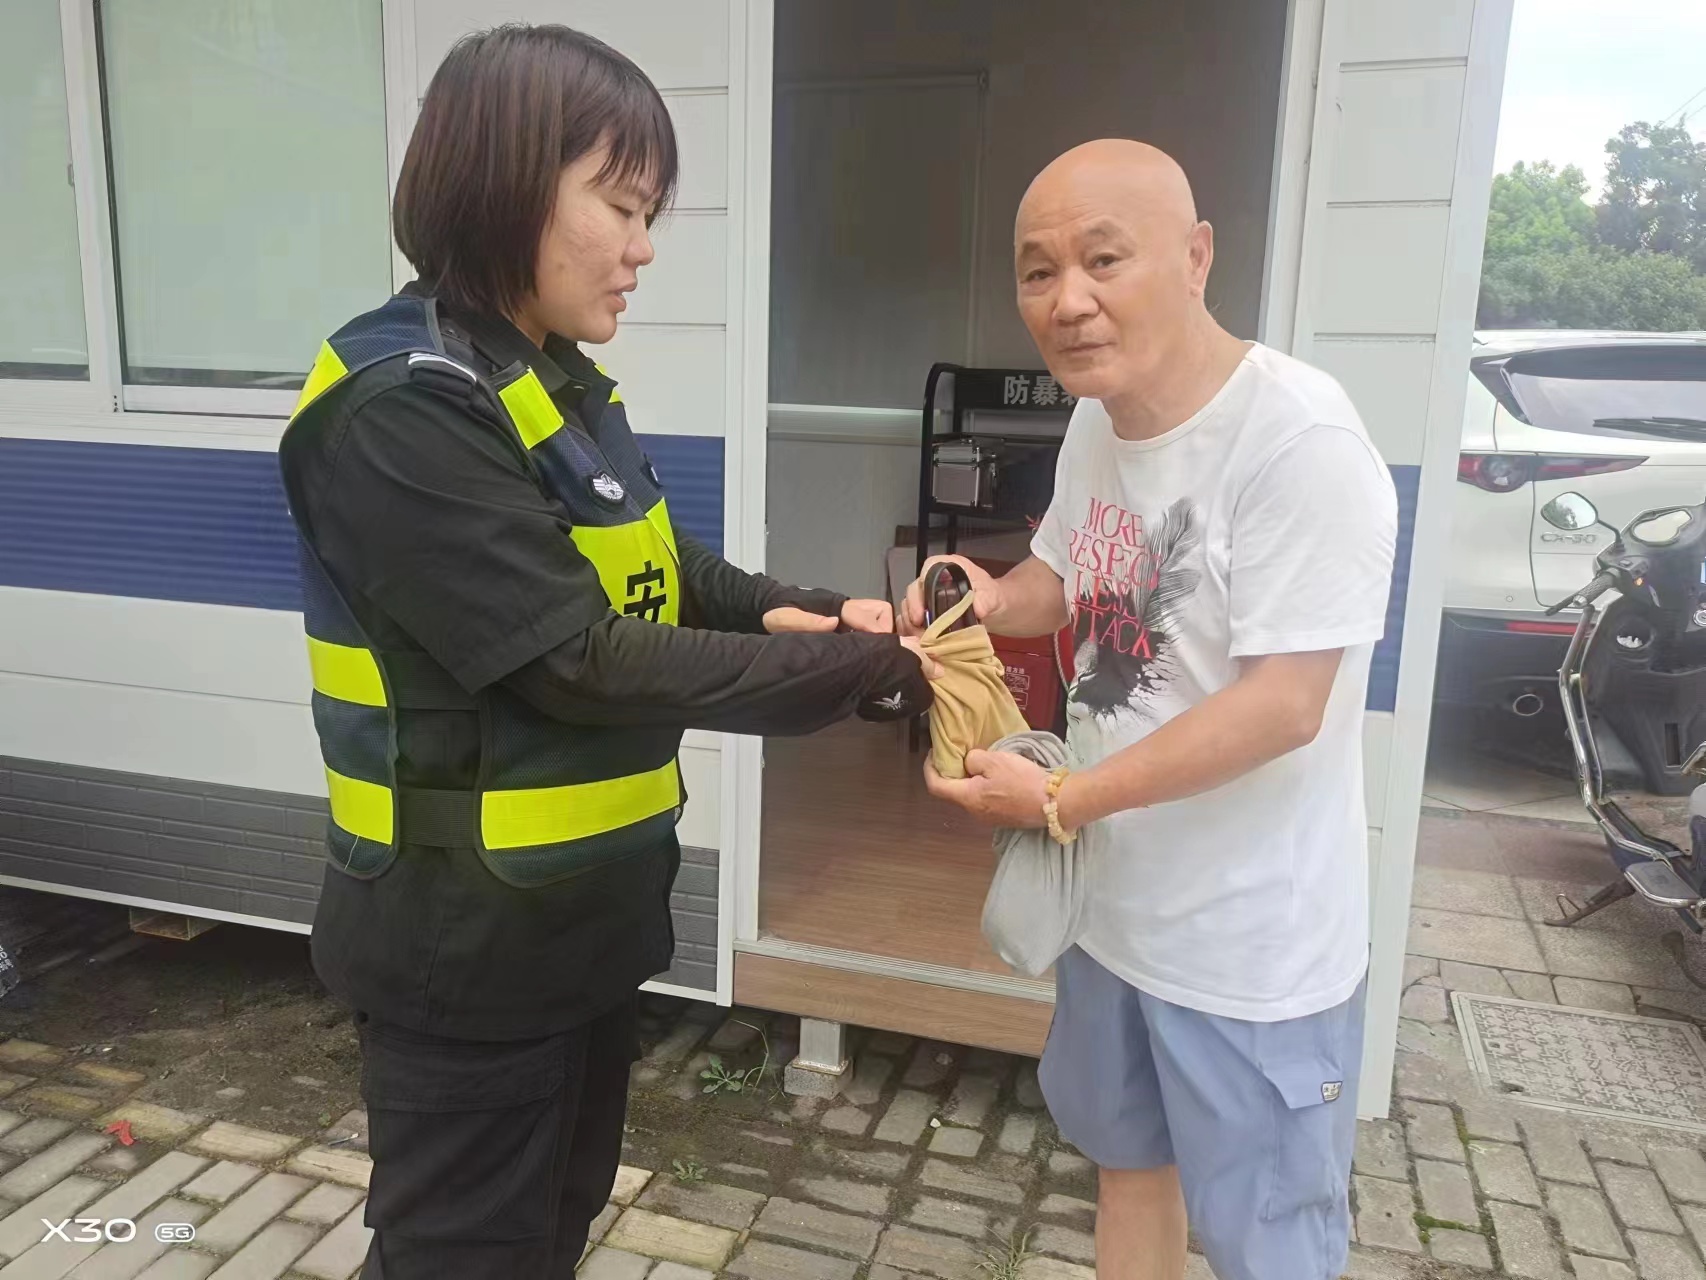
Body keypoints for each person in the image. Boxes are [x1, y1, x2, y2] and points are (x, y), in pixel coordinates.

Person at [278, 24, 936, 1279]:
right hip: (465, 950)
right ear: (507, 185)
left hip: (577, 933)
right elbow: (572, 658)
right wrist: (861, 676)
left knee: (549, 1233)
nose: (643, 247)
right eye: (621, 207)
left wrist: (812, 609)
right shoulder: (402, 404)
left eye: (649, 214)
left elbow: (662, 566)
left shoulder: (549, 380)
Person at [908, 139, 1398, 1280]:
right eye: (1037, 272)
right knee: (1128, 1171)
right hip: (1112, 915)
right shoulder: (1100, 418)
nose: (1067, 300)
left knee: (1268, 1249)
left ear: (1195, 257)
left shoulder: (1300, 441)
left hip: (1248, 953)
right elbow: (1065, 576)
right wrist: (988, 597)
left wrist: (1062, 798)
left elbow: (1284, 706)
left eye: (1102, 259)